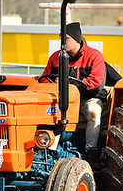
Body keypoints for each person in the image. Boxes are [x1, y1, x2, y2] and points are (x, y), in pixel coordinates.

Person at [42, 22, 107, 159]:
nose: (62, 43)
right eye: (61, 38)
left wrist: (68, 83)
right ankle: (47, 148)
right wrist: (54, 84)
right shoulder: (55, 58)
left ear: (76, 39)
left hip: (87, 97)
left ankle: (91, 150)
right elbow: (44, 79)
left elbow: (95, 83)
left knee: (93, 111)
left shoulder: (94, 56)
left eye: (66, 39)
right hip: (62, 98)